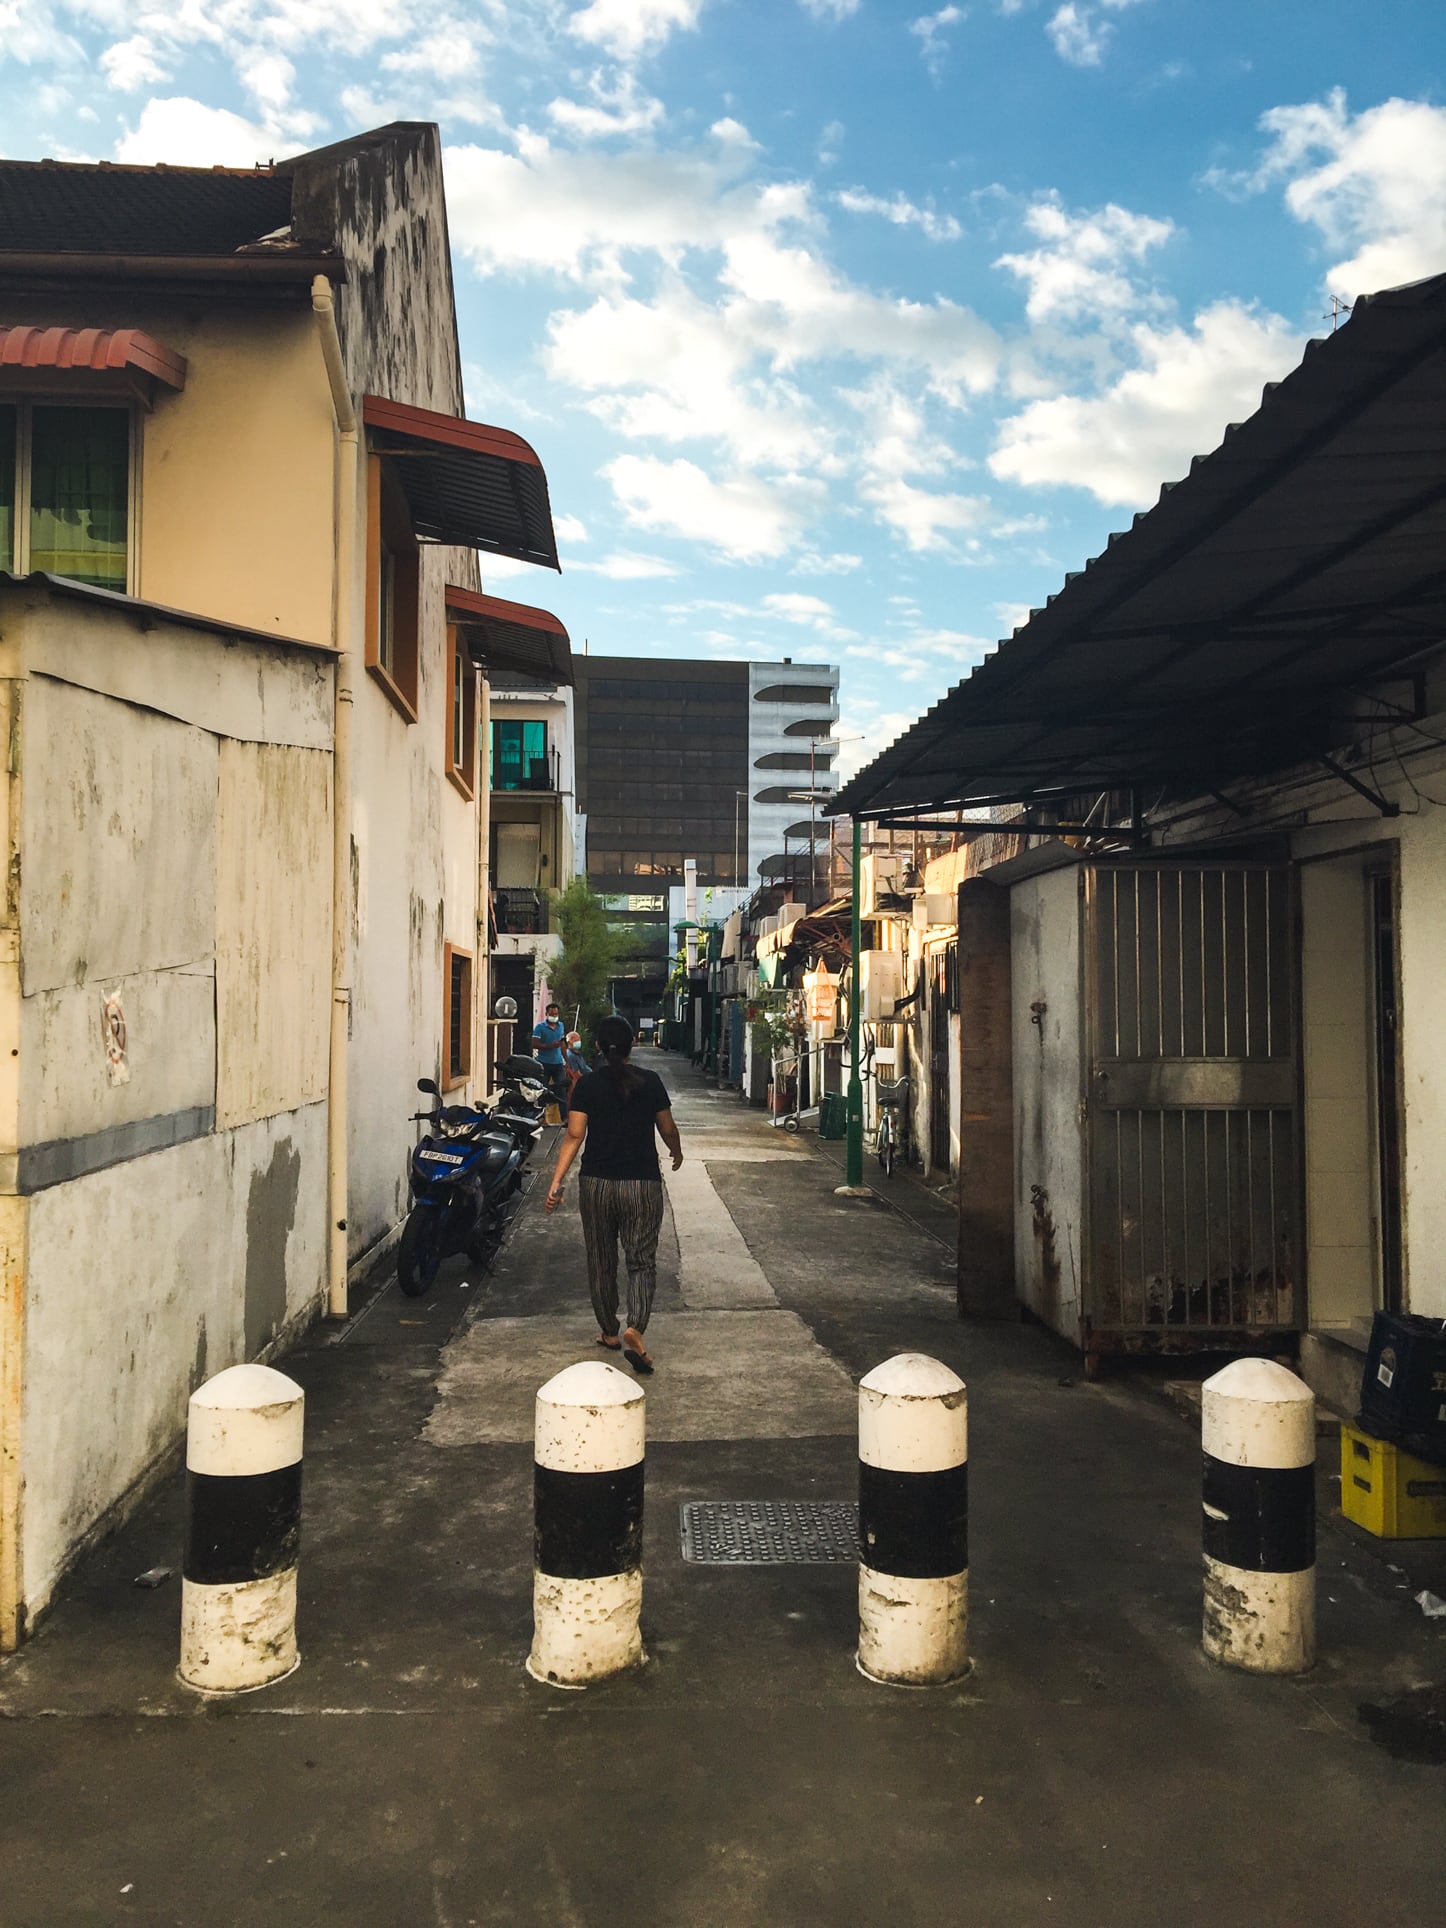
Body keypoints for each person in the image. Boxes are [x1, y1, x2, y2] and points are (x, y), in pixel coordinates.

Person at [545, 1014, 682, 1374]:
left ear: (598, 1048)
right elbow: (667, 1127)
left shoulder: (587, 1085)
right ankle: (635, 1327)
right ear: (632, 1043)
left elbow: (574, 1136)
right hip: (642, 1184)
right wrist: (677, 1151)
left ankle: (609, 1331)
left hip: (597, 1183)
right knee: (641, 1260)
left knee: (602, 1259)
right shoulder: (650, 1082)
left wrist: (556, 1182)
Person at [531, 1002, 568, 1107]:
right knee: (543, 1090)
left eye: (556, 1014)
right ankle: (542, 1115)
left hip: (558, 1063)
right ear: (546, 1014)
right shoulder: (540, 1027)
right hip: (544, 1063)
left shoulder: (561, 1026)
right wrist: (550, 1046)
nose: (554, 1017)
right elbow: (534, 1044)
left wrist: (566, 1060)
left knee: (561, 1090)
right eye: (552, 1014)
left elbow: (562, 1045)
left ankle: (564, 1117)